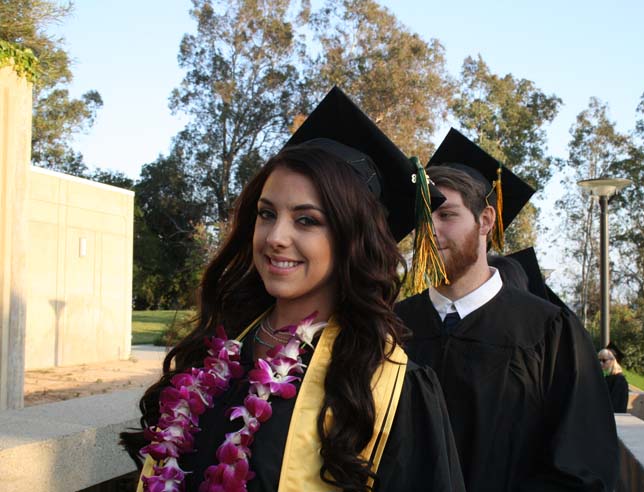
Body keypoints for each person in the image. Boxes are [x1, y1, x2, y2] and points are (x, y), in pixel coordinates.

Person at [121, 87, 464, 491]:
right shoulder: (213, 354)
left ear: (353, 239)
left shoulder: (384, 386)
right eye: (267, 214)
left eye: (307, 220)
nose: (275, 237)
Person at [395, 128, 619, 492]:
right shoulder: (394, 325)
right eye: (424, 217)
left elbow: (582, 465)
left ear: (485, 220)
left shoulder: (548, 330)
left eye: (447, 215)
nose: (431, 231)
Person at [598, 343, 629, 413]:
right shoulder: (606, 378)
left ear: (613, 361)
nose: (600, 363)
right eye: (599, 360)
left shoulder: (620, 381)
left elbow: (616, 406)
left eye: (604, 360)